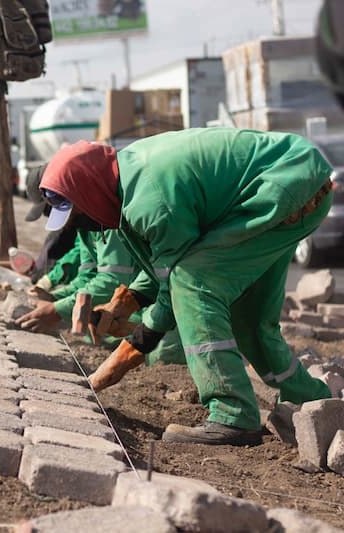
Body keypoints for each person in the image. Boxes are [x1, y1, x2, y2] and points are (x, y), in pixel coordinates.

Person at [39, 129, 334, 446]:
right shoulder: (125, 185)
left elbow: (176, 281)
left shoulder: (150, 200)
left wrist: (132, 349)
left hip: (286, 185)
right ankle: (313, 401)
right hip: (294, 178)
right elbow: (164, 264)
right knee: (250, 318)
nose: (82, 223)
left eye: (78, 212)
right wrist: (127, 301)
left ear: (90, 192)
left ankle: (232, 416)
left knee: (195, 284)